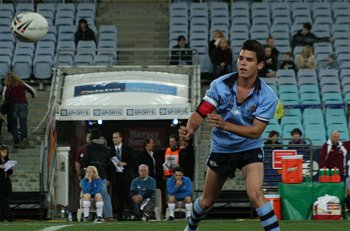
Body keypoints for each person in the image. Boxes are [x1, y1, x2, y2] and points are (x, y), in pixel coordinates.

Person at [179, 39, 280, 231]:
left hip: (249, 148)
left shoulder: (268, 96)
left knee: (255, 195)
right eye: (241, 58)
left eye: (249, 60)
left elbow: (255, 132)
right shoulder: (220, 85)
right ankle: (191, 227)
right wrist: (190, 129)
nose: (242, 63)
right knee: (207, 201)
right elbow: (202, 111)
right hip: (222, 149)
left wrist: (224, 124)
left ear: (259, 65)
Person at [81, 128, 113, 221]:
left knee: (87, 193)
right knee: (104, 194)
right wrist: (109, 177)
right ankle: (108, 215)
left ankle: (88, 216)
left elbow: (85, 160)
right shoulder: (105, 148)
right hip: (102, 175)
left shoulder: (89, 147)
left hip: (91, 174)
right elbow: (109, 163)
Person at [3, 72, 36, 148]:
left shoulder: (8, 86)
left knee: (14, 124)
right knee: (23, 123)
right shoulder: (22, 83)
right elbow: (31, 89)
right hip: (23, 104)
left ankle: (16, 141)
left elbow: (5, 97)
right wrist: (33, 95)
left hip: (13, 106)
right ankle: (24, 138)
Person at [110, 131, 137, 221]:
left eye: (116, 137)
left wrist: (125, 163)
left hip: (126, 176)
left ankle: (136, 214)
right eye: (113, 138)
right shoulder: (110, 150)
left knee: (128, 196)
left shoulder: (127, 148)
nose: (115, 139)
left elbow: (134, 161)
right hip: (115, 177)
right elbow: (108, 164)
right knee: (117, 197)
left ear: (121, 138)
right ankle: (119, 216)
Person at [0, 145, 15, 222]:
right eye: (3, 152)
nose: (4, 154)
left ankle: (2, 217)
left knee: (4, 200)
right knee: (4, 201)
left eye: (6, 152)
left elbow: (10, 173)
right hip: (0, 182)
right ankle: (10, 217)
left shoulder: (7, 160)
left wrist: (10, 168)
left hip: (6, 183)